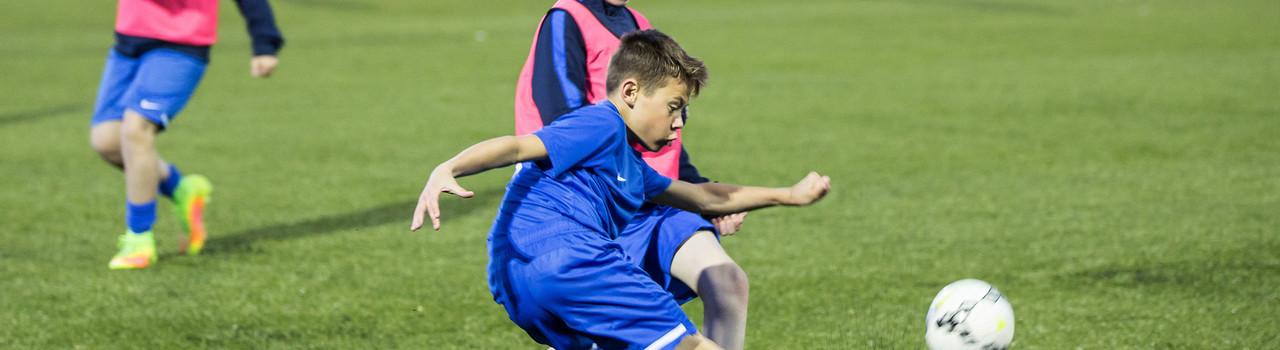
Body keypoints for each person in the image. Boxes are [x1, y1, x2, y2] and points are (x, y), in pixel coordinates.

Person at [412, 29, 831, 350]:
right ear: (630, 92)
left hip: (516, 280)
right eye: (674, 107)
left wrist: (787, 195)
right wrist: (448, 167)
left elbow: (703, 198)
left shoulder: (630, 169)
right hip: (572, 261)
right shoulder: (602, 122)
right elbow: (520, 145)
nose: (679, 123)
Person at [514, 1, 750, 348]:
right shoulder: (566, 18)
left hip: (655, 203)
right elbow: (563, 121)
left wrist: (702, 191)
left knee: (727, 282)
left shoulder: (638, 23)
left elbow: (667, 129)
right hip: (598, 210)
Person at [90, 0, 284, 269]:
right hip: (128, 43)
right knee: (107, 140)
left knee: (136, 130)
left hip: (180, 45)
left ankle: (139, 238)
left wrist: (264, 42)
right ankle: (181, 188)